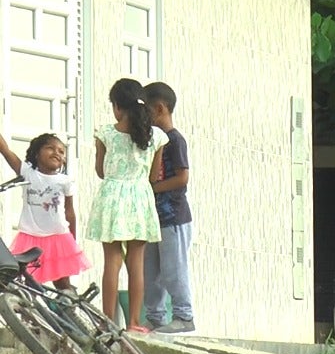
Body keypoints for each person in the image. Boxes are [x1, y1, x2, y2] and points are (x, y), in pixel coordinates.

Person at [85, 78, 168, 334]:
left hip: (111, 195)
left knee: (112, 262)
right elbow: (154, 177)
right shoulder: (157, 137)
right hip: (139, 197)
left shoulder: (105, 133)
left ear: (117, 107)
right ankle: (134, 322)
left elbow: (100, 170)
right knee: (136, 263)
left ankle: (107, 321)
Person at [0, 133, 92, 289]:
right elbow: (6, 151)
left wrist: (72, 239)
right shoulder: (27, 173)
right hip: (29, 238)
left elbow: (70, 213)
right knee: (27, 284)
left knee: (62, 283)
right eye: (50, 148)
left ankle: (70, 310)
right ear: (37, 153)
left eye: (61, 151)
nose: (56, 153)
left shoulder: (65, 181)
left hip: (58, 239)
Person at [142, 82, 195, 335]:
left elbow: (182, 178)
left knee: (174, 269)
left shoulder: (174, 140)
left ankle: (184, 316)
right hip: (152, 218)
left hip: (173, 216)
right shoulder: (152, 141)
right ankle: (155, 318)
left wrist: (153, 188)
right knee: (150, 272)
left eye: (147, 110)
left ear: (160, 108)